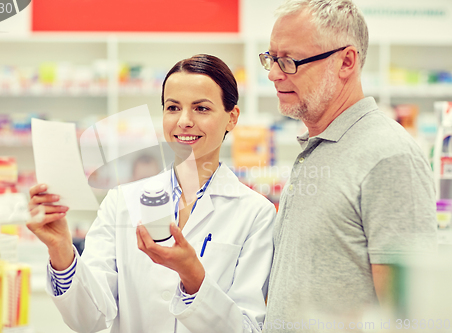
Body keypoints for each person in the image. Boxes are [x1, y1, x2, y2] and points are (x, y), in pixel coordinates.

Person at [27, 54, 276, 333]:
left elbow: (248, 328)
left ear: (232, 118)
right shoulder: (122, 201)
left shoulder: (256, 213)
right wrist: (60, 249)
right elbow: (89, 319)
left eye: (201, 109)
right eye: (172, 107)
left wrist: (193, 276)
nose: (184, 121)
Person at [260, 0, 437, 330]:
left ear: (346, 61)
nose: (273, 74)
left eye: (288, 61)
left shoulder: (389, 157)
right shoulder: (317, 147)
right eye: (271, 59)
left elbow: (411, 316)